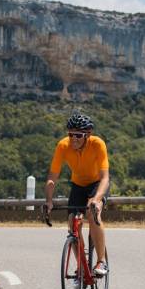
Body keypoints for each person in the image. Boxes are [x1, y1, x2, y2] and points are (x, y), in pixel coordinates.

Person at [44, 113, 110, 277]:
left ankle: (101, 261)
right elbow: (52, 178)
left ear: (88, 135)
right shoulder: (62, 146)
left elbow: (105, 178)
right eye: (70, 134)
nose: (73, 139)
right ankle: (81, 266)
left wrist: (96, 199)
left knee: (93, 212)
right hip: (78, 185)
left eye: (78, 135)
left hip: (97, 184)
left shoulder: (97, 144)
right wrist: (49, 201)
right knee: (72, 223)